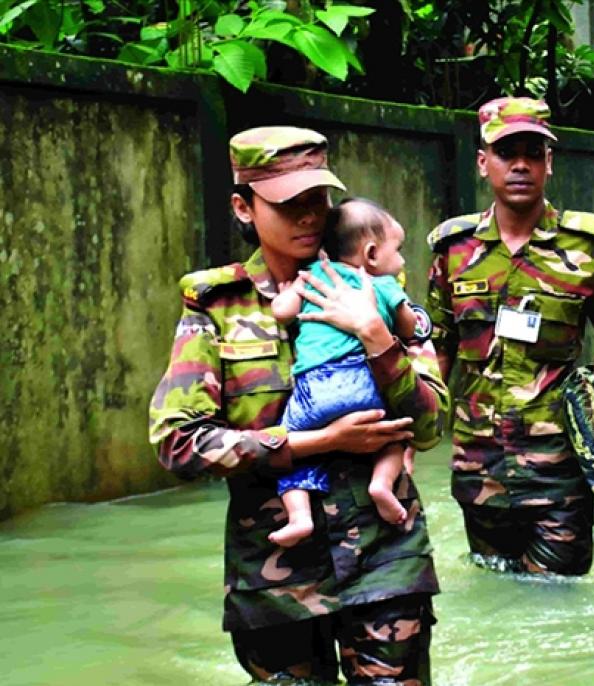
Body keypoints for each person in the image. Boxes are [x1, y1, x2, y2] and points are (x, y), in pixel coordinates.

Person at [149, 127, 449, 684]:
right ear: (244, 207)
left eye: (318, 198)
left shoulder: (376, 282)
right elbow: (178, 442)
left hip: (385, 561)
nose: (309, 216)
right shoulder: (217, 307)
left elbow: (432, 424)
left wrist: (377, 338)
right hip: (274, 578)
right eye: (288, 203)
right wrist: (314, 444)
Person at [424, 97, 594, 576]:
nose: (520, 165)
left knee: (558, 601)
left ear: (549, 163)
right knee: (497, 592)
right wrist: (410, 444)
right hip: (478, 467)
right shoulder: (453, 250)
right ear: (482, 162)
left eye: (533, 153)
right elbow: (438, 352)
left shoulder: (588, 246)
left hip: (563, 468)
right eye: (506, 152)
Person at [267, 198, 430, 548]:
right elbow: (410, 326)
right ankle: (381, 485)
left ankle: (298, 516)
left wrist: (288, 293)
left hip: (313, 388)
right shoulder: (381, 282)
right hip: (363, 381)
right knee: (396, 432)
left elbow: (281, 312)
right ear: (371, 254)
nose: (401, 260)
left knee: (287, 443)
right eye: (398, 250)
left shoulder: (315, 275)